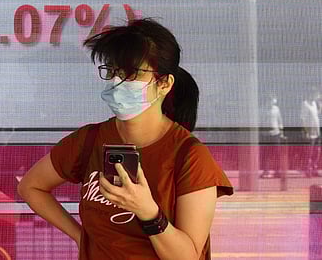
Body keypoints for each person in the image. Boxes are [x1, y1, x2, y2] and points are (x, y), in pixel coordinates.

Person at [17, 18, 233, 259]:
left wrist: (148, 211)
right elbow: (31, 187)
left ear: (163, 84)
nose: (117, 82)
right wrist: (81, 238)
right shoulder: (89, 139)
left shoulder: (190, 156)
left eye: (130, 74)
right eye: (112, 71)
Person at [261, 94, 285, 178]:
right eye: (270, 101)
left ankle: (277, 171)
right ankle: (266, 171)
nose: (271, 102)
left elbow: (280, 120)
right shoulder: (262, 110)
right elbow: (260, 122)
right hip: (266, 134)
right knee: (266, 154)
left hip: (276, 133)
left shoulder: (276, 109)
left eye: (272, 101)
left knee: (277, 152)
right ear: (267, 101)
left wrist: (281, 131)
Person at [299, 89, 321, 177]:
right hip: (310, 132)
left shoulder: (315, 104)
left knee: (317, 151)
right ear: (311, 94)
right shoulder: (305, 104)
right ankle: (307, 170)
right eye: (315, 94)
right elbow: (303, 119)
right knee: (309, 152)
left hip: (317, 131)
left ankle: (314, 168)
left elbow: (316, 115)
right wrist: (305, 131)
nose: (317, 96)